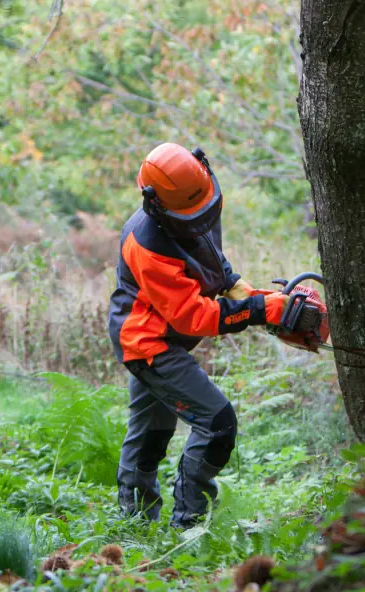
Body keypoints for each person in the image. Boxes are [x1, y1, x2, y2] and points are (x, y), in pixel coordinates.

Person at [106, 142, 319, 529]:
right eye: (190, 217)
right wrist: (261, 311)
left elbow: (217, 269)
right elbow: (192, 316)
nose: (200, 220)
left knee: (152, 428)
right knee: (216, 421)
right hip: (149, 342)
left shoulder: (195, 210)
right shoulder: (147, 244)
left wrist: (267, 301)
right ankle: (188, 526)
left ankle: (134, 523)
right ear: (156, 205)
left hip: (166, 334)